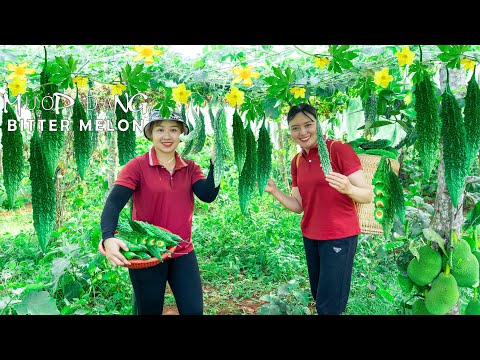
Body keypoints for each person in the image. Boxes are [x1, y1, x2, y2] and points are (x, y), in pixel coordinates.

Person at [100, 109, 219, 315]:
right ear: (150, 133)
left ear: (181, 134)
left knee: (194, 311)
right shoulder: (136, 166)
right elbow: (113, 204)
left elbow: (207, 195)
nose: (167, 136)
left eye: (174, 129)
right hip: (148, 254)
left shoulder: (190, 167)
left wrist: (216, 165)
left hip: (182, 251)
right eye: (160, 129)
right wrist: (107, 238)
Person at [265, 103, 373, 315]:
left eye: (308, 125)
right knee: (319, 295)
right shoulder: (297, 161)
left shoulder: (338, 150)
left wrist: (349, 188)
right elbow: (299, 206)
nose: (302, 132)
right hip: (311, 236)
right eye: (295, 127)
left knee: (329, 304)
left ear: (318, 124)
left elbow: (367, 195)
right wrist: (275, 191)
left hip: (339, 236)